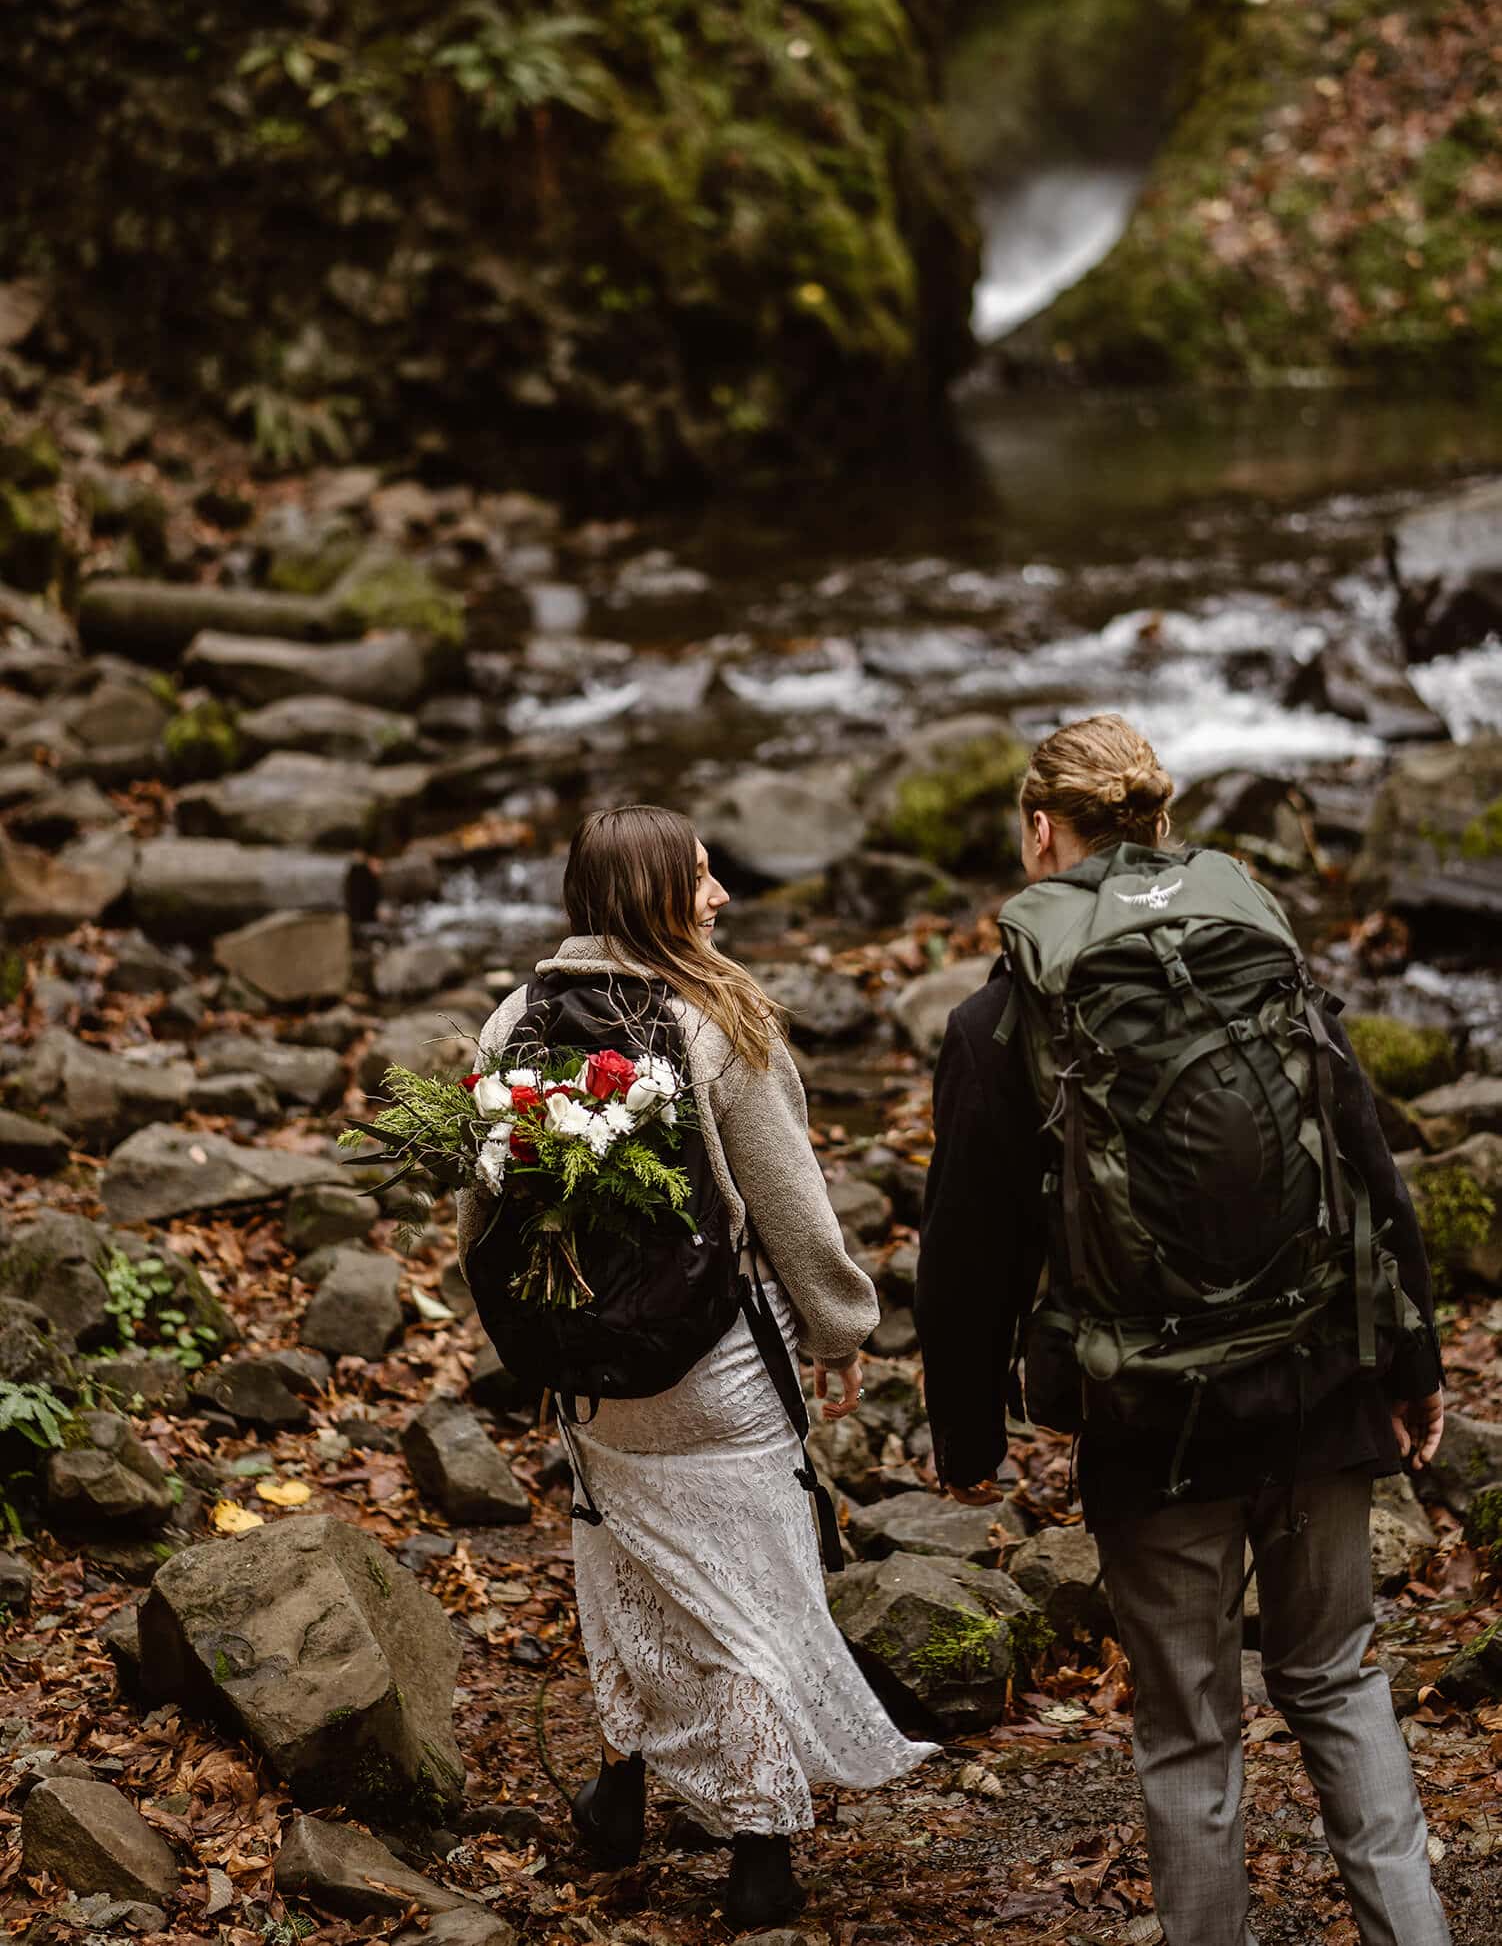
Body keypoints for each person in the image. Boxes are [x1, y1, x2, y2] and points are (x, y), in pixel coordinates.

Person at [915, 714, 1451, 1946]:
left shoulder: (998, 1019)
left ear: (1038, 828)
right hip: (1317, 1380)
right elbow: (1364, 1162)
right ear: (1158, 819)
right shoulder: (1260, 946)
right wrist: (1407, 1364)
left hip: (1150, 1418)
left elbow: (966, 1251)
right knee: (1338, 1680)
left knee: (1190, 1731)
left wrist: (968, 1434)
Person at [458, 804, 934, 1930]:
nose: (720, 897)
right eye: (701, 880)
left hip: (592, 1383)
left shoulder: (511, 1020)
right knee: (749, 1587)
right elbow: (791, 1209)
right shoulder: (719, 1019)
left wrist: (539, 1332)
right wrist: (841, 1327)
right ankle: (760, 1846)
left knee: (619, 1564)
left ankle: (618, 1789)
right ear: (655, 900)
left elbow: (479, 1207)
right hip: (713, 1366)